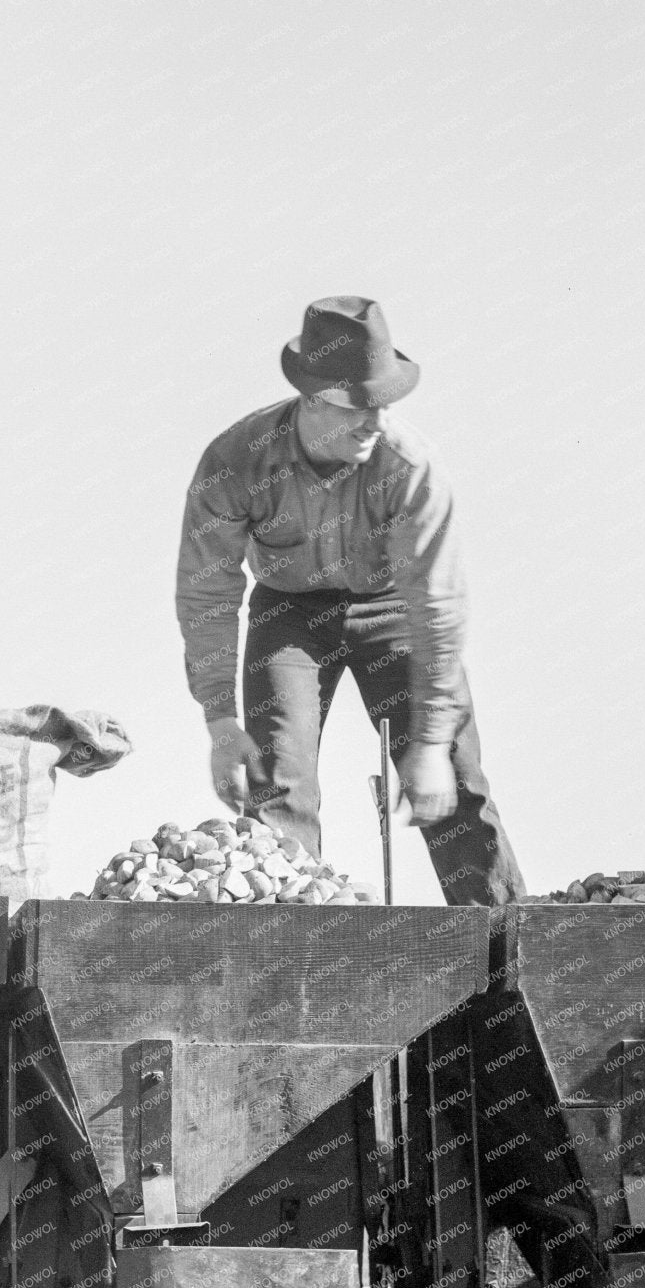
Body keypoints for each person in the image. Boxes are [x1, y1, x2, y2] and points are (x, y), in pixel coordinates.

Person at [174, 296, 526, 905]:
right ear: (313, 400)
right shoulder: (234, 462)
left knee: (455, 784)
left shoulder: (410, 467)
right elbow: (208, 590)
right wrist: (218, 718)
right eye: (358, 408)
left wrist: (433, 739)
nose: (375, 423)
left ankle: (504, 960)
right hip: (289, 615)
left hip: (393, 609)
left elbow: (437, 606)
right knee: (277, 780)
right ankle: (289, 959)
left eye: (384, 406)